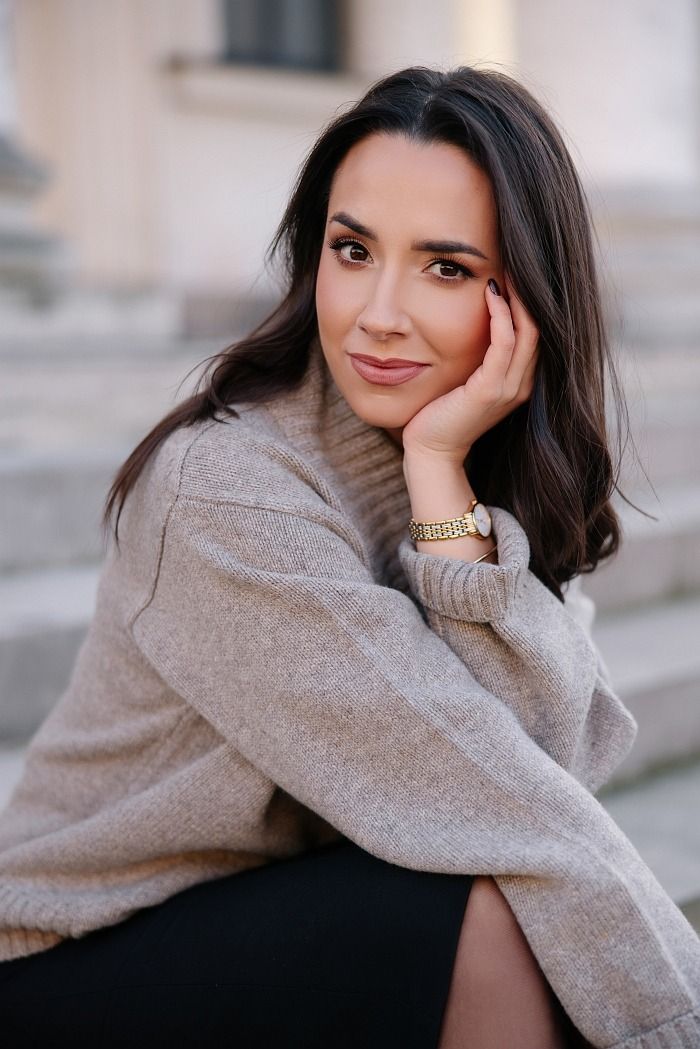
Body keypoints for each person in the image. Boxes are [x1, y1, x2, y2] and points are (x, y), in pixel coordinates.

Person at [0, 64, 698, 1049]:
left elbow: (552, 762)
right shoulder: (230, 490)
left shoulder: (473, 467)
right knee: (484, 919)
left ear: (525, 301)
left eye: (445, 267)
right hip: (71, 953)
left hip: (276, 905)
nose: (378, 312)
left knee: (492, 904)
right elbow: (503, 801)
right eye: (353, 249)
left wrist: (439, 476)